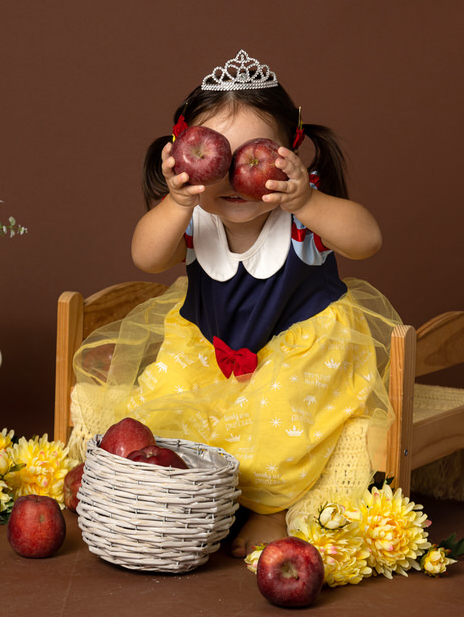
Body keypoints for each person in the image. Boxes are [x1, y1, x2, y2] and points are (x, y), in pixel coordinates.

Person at [72, 49, 401, 558]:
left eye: (255, 155)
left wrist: (307, 201)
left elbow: (368, 240)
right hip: (210, 347)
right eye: (217, 157)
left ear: (290, 154)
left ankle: (268, 508)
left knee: (283, 427)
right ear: (186, 157)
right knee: (168, 417)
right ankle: (187, 496)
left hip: (302, 351)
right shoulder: (193, 211)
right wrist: (177, 200)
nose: (234, 177)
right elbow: (145, 257)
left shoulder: (300, 213)